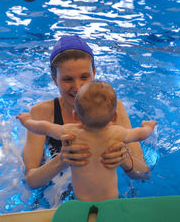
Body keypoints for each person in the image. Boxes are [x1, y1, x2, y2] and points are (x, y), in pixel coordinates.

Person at [22, 35, 151, 191]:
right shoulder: (42, 113)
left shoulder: (112, 108)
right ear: (55, 79)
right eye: (68, 79)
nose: (77, 87)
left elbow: (143, 173)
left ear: (94, 72)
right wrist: (62, 160)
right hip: (55, 193)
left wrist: (123, 158)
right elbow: (30, 180)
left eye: (84, 77)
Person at [17, 80, 156, 201]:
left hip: (79, 202)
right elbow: (141, 134)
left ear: (75, 115)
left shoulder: (70, 132)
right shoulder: (118, 133)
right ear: (114, 117)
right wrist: (148, 126)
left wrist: (26, 120)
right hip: (112, 201)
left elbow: (43, 127)